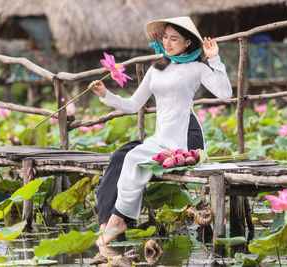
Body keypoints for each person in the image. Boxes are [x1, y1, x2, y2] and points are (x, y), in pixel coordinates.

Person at [89, 16, 232, 248]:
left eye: (174, 38)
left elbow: (225, 93)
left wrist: (215, 59)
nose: (167, 42)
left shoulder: (197, 68)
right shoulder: (156, 69)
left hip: (186, 134)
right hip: (161, 135)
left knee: (134, 157)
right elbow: (135, 104)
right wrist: (105, 94)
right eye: (165, 37)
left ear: (187, 43)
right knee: (117, 157)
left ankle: (120, 219)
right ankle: (106, 224)